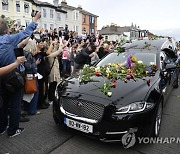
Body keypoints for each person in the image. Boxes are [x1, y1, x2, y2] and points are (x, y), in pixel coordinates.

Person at [0, 12, 41, 137]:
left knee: (3, 105)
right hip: (13, 78)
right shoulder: (8, 39)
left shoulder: (8, 42)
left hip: (2, 80)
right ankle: (13, 130)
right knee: (15, 105)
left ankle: (2, 128)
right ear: (7, 30)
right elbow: (25, 33)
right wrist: (34, 19)